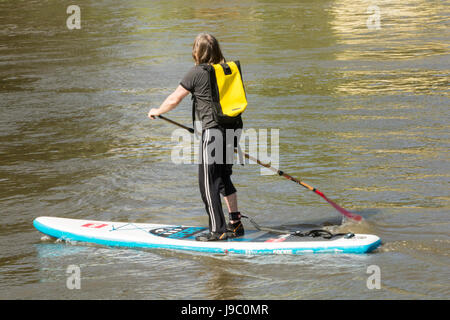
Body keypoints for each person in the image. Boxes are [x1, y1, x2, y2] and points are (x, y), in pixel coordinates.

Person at [148, 33, 245, 241]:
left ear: (197, 51)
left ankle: (217, 231)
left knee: (208, 183)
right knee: (222, 177)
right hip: (233, 129)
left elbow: (174, 99)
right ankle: (235, 225)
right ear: (217, 50)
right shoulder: (227, 70)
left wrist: (157, 110)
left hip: (213, 132)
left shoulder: (197, 72)